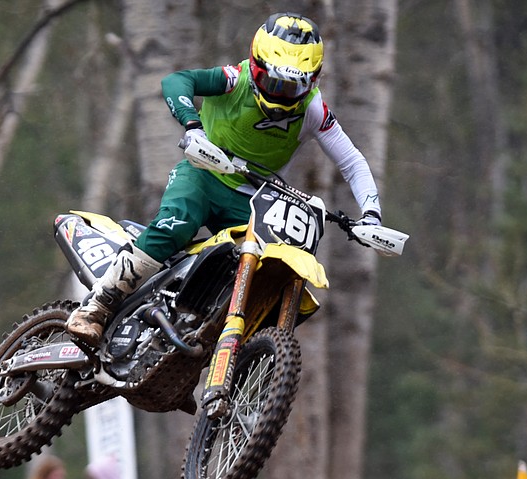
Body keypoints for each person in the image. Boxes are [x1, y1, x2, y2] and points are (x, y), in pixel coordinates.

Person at [66, 12, 383, 345]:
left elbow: (352, 161)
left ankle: (226, 362)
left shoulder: (314, 110)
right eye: (274, 82)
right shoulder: (235, 79)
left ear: (312, 81)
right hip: (204, 175)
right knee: (177, 223)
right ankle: (98, 306)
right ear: (256, 66)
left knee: (275, 267)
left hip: (255, 201)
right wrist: (192, 126)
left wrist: (371, 214)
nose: (280, 95)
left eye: (293, 87)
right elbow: (177, 82)